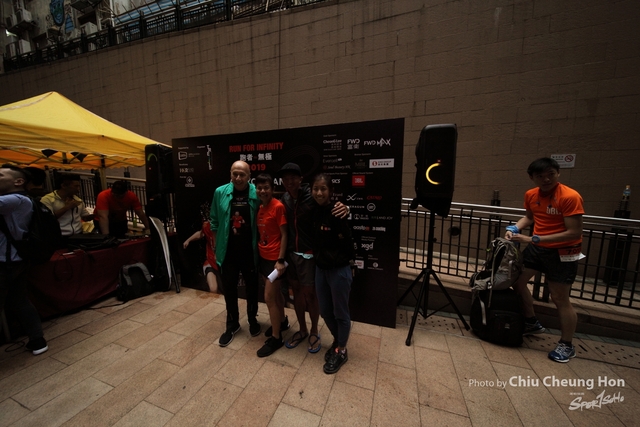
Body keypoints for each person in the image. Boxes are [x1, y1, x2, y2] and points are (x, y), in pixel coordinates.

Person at [505, 157, 584, 363]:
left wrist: (532, 239)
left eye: (551, 174)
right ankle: (531, 321)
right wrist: (514, 227)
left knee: (560, 298)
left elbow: (574, 232)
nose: (546, 179)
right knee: (518, 282)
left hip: (563, 252)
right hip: (537, 248)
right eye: (540, 176)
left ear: (558, 173)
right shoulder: (531, 194)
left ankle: (567, 345)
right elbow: (530, 217)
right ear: (532, 178)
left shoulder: (570, 196)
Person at [278, 163, 348, 353]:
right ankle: (302, 329)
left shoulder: (312, 196)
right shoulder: (284, 199)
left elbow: (329, 207)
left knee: (310, 295)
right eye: (286, 178)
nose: (289, 181)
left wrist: (346, 207)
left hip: (309, 255)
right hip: (291, 254)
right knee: (296, 293)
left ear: (301, 179)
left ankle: (314, 331)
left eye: (293, 177)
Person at [210, 160, 261, 346]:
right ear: (230, 174)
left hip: (250, 251)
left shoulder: (257, 193)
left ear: (249, 176)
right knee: (229, 288)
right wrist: (216, 245)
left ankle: (252, 319)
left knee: (252, 288)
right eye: (235, 174)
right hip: (228, 251)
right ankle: (232, 324)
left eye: (242, 174)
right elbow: (214, 220)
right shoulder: (220, 192)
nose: (238, 178)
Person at [0, 165, 48, 355]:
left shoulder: (15, 199)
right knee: (19, 300)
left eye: (0, 175)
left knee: (18, 301)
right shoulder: (21, 200)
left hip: (6, 261)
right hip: (16, 258)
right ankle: (37, 340)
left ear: (18, 181)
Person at [310, 174, 355, 374]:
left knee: (341, 313)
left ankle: (342, 350)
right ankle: (338, 341)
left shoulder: (338, 211)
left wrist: (348, 209)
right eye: (316, 188)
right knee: (326, 312)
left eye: (323, 189)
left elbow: (348, 241)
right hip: (320, 269)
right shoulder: (312, 209)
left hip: (339, 270)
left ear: (330, 191)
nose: (319, 193)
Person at [254, 173, 289, 357]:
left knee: (269, 298)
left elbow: (285, 234)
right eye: (259, 188)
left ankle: (276, 338)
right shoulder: (260, 208)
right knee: (276, 296)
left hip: (276, 261)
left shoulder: (278, 207)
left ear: (272, 189)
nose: (263, 191)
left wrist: (281, 260)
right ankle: (282, 322)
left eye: (266, 187)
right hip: (263, 258)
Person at [183, 204, 220, 293]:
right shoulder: (207, 226)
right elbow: (201, 233)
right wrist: (188, 240)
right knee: (213, 288)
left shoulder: (224, 228)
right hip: (210, 261)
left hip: (222, 264)